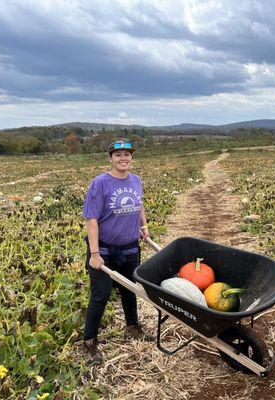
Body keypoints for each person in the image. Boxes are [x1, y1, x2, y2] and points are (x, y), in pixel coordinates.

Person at [82, 139, 153, 364]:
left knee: (130, 289)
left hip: (130, 248)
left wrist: (144, 227)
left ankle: (132, 326)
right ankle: (89, 342)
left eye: (127, 154)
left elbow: (139, 204)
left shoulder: (136, 180)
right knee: (100, 296)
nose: (123, 158)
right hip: (104, 250)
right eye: (118, 155)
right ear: (110, 158)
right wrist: (94, 254)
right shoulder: (100, 183)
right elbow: (92, 219)